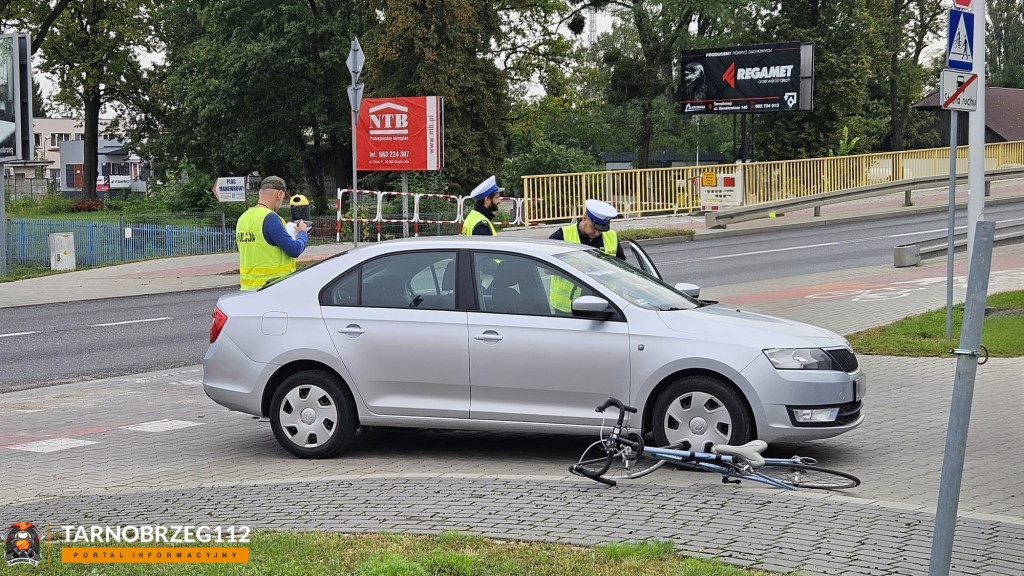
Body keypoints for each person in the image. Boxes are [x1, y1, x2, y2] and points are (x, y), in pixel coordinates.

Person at [235, 176, 308, 291]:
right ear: (279, 194)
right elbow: (294, 250)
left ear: (260, 193)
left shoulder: (243, 218)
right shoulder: (270, 218)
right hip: (273, 288)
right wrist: (303, 233)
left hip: (247, 290)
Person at [549, 199, 625, 259]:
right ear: (584, 217)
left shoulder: (611, 236)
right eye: (594, 228)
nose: (597, 233)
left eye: (601, 230)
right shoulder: (562, 236)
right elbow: (548, 269)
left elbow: (622, 267)